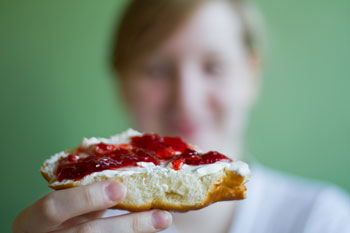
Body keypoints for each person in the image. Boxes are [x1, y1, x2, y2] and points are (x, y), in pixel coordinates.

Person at [13, 0, 350, 232]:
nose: (186, 100)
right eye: (157, 70)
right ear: (121, 81)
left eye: (213, 67)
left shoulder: (322, 220)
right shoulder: (74, 224)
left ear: (252, 76)